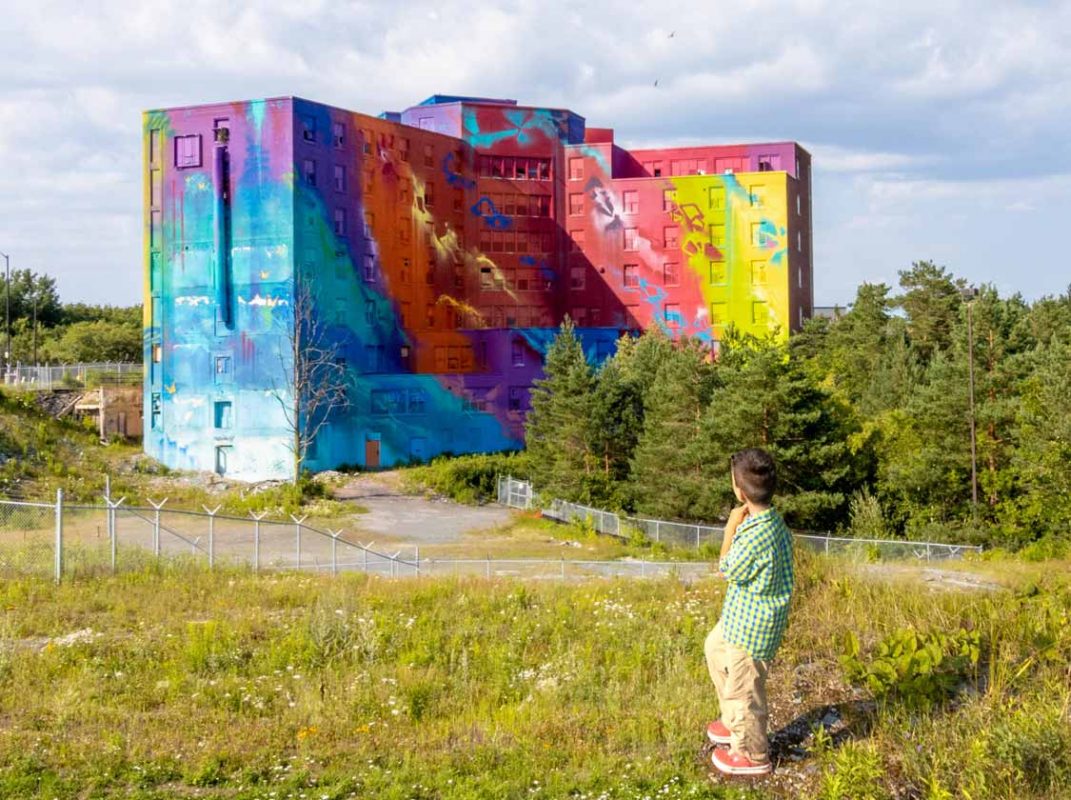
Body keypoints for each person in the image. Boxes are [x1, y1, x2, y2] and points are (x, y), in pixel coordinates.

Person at [704, 448, 794, 776]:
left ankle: (753, 755)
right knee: (714, 649)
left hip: (752, 631)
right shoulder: (768, 520)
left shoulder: (755, 534)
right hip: (740, 618)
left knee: (745, 692)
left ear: (739, 491)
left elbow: (726, 568)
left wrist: (729, 527)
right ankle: (733, 723)